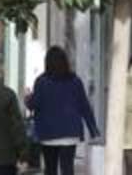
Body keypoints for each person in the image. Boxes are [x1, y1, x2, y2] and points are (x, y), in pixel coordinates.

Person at [27, 46, 99, 175]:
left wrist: (27, 99)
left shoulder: (41, 82)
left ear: (47, 62)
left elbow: (34, 104)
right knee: (67, 168)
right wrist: (93, 129)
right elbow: (84, 106)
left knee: (50, 169)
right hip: (70, 133)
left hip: (48, 133)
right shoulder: (75, 81)